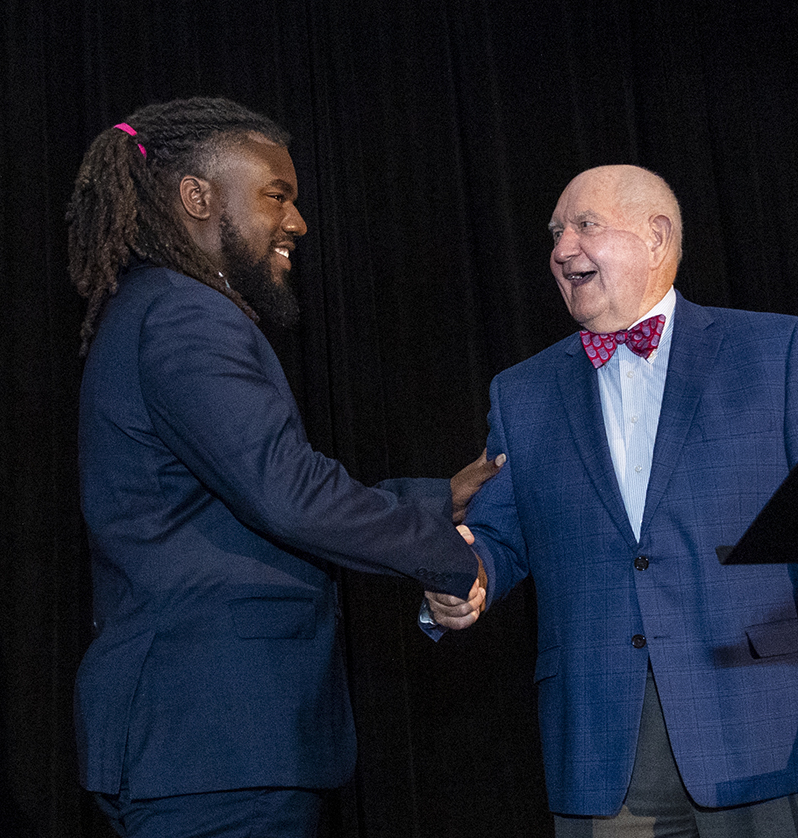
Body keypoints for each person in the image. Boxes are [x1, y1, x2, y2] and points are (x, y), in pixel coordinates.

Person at [425, 165, 798, 837]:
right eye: (555, 234)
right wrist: (465, 578)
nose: (563, 249)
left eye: (585, 226)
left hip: (766, 734)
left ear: (657, 237)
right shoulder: (522, 391)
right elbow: (499, 537)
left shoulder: (773, 351)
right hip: (604, 750)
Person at [67, 96, 492, 838]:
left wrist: (434, 500)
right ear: (197, 197)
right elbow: (286, 492)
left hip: (205, 748)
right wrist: (444, 557)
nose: (296, 222)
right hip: (214, 745)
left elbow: (230, 501)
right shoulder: (185, 314)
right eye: (277, 195)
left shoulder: (157, 308)